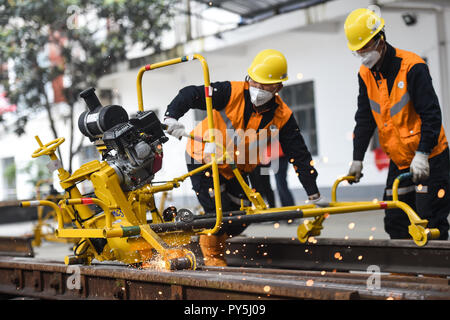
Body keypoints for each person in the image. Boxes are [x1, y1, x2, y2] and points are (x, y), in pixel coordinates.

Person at [163, 49, 328, 266]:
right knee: (216, 213)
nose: (257, 89)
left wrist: (313, 194)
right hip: (202, 158)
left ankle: (211, 238)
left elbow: (300, 155)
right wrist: (171, 117)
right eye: (254, 82)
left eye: (264, 85)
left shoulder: (283, 116)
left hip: (236, 168)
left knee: (243, 215)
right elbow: (190, 94)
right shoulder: (229, 92)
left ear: (278, 87)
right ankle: (212, 256)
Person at [344, 8, 450, 240]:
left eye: (365, 48)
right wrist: (357, 158)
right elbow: (364, 118)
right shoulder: (365, 74)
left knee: (430, 220)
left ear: (380, 40)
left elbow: (431, 114)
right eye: (357, 51)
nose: (362, 56)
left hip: (430, 158)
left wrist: (423, 153)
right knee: (396, 221)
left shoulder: (412, 67)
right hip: (400, 159)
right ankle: (403, 275)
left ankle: (437, 276)